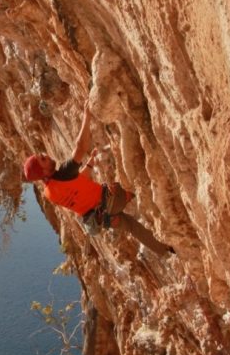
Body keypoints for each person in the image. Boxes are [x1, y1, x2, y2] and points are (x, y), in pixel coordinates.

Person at [23, 103, 175, 256]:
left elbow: (77, 185)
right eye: (43, 159)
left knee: (132, 226)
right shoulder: (62, 173)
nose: (46, 155)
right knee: (134, 180)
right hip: (110, 199)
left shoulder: (51, 192)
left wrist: (90, 163)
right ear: (43, 171)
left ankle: (166, 250)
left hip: (103, 220)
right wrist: (87, 115)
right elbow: (80, 147)